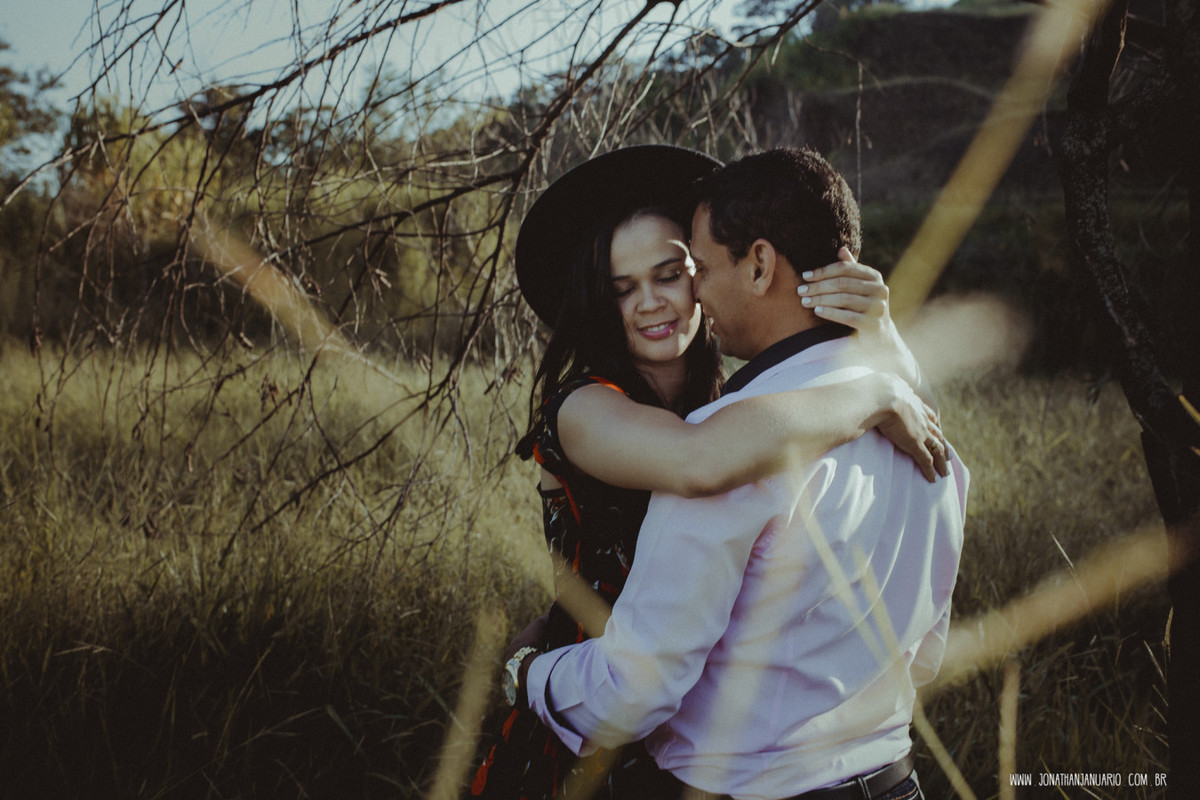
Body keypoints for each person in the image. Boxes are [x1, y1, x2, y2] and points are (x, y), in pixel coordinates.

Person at [471, 146, 950, 800]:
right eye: (621, 288)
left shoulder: (741, 408)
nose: (651, 303)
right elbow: (699, 462)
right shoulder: (588, 408)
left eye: (672, 272)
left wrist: (884, 345)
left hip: (689, 740)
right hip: (586, 717)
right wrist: (879, 388)